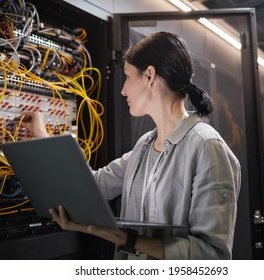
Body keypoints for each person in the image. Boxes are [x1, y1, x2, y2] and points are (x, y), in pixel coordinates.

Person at [20, 31, 241, 260]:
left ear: (149, 76)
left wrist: (126, 239)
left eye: (127, 76)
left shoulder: (207, 148)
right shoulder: (144, 147)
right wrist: (43, 135)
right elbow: (94, 186)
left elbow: (212, 256)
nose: (124, 90)